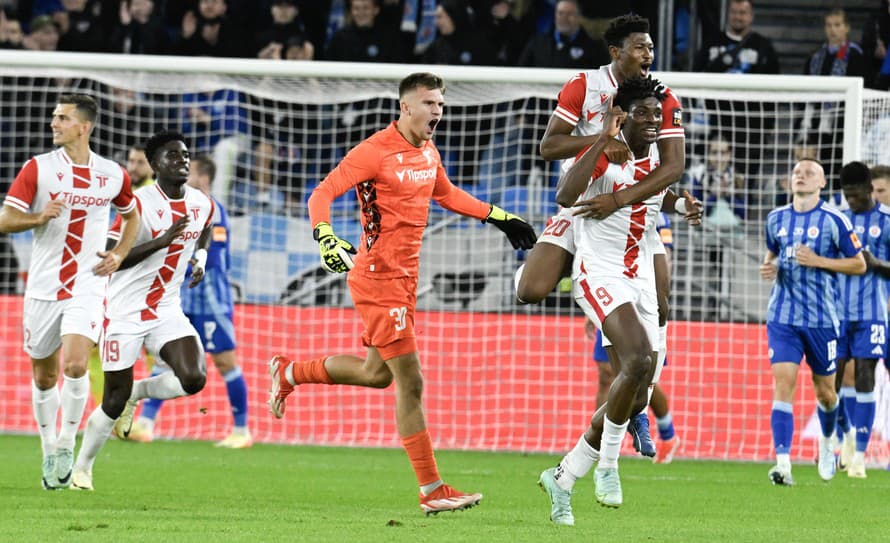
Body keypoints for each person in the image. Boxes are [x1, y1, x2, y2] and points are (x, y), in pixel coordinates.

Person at [267, 72, 537, 514]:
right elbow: (322, 192)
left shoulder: (427, 150)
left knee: (378, 374)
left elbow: (445, 194)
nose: (437, 112)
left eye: (441, 105)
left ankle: (290, 372)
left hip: (406, 278)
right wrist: (325, 237)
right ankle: (432, 489)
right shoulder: (374, 151)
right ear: (405, 106)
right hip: (378, 278)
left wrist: (499, 217)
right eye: (429, 104)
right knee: (410, 382)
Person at [515, 13, 685, 454]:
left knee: (662, 305)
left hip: (634, 214)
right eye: (640, 48)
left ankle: (639, 409)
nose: (648, 56)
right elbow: (549, 146)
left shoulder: (660, 96)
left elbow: (671, 167)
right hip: (585, 200)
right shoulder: (584, 86)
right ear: (616, 52)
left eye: (651, 48)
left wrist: (665, 202)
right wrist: (598, 141)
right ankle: (582, 273)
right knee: (530, 290)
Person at [538, 77, 701, 523]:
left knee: (632, 397)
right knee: (635, 360)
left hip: (640, 278)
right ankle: (608, 468)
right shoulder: (606, 156)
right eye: (645, 113)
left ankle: (563, 477)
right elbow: (565, 195)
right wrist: (601, 140)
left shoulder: (656, 164)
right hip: (600, 270)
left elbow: (656, 199)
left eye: (657, 115)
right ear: (623, 115)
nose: (654, 122)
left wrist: (683, 206)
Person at [0, 93, 140, 489]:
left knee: (76, 365)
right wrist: (37, 216)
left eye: (62, 118)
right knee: (44, 377)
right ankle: (48, 449)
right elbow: (5, 219)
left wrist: (120, 253)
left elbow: (132, 216)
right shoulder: (38, 169)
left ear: (84, 126)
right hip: (43, 288)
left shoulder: (112, 174)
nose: (54, 123)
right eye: (53, 117)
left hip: (88, 283)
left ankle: (66, 442)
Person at [71, 130, 214, 490]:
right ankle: (82, 468)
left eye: (184, 155)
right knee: (113, 399)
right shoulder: (137, 205)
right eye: (171, 156)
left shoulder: (201, 202)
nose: (181, 161)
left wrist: (200, 256)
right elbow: (111, 261)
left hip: (167, 309)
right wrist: (162, 241)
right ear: (154, 165)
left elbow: (206, 227)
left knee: (194, 378)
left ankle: (141, 392)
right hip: (125, 312)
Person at [125, 155, 251, 448]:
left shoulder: (212, 209)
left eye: (188, 171)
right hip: (181, 296)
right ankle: (145, 423)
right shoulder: (181, 206)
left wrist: (193, 260)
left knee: (224, 361)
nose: (181, 176)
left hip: (211, 299)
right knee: (165, 357)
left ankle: (242, 429)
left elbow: (215, 255)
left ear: (203, 178)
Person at [759, 158, 866, 486]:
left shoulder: (834, 220)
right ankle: (783, 463)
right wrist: (769, 268)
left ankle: (828, 440)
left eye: (808, 173)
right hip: (783, 318)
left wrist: (818, 260)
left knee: (826, 394)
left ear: (822, 183)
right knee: (784, 384)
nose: (800, 176)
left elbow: (859, 264)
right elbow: (772, 254)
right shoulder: (775, 218)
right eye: (795, 172)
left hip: (822, 320)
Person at [832, 162, 890, 478]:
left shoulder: (887, 221)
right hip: (837, 311)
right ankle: (845, 438)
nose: (852, 201)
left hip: (872, 312)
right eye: (847, 196)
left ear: (870, 190)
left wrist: (876, 263)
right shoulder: (837, 221)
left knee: (866, 372)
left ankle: (861, 455)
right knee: (832, 378)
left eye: (856, 195)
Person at [518, 0, 608, 69]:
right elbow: (520, 71)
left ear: (579, 17)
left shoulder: (594, 48)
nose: (564, 18)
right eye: (560, 13)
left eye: (570, 14)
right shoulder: (537, 42)